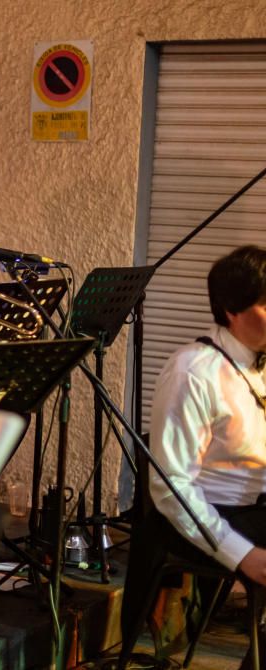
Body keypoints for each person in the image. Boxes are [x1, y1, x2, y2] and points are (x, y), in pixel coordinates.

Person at [142, 245, 266, 668]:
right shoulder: (193, 371)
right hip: (210, 516)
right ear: (232, 309)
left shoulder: (257, 364)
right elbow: (170, 486)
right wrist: (243, 555)